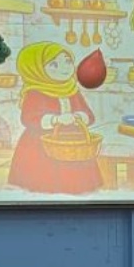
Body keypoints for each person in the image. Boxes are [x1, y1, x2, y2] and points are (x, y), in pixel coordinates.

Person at [9, 41, 102, 194]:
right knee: (43, 180)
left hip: (72, 140)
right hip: (39, 142)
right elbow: (28, 118)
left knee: (77, 176)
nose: (65, 68)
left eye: (68, 62)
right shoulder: (34, 93)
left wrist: (80, 116)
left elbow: (89, 115)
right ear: (36, 69)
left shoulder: (71, 89)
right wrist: (55, 120)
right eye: (54, 65)